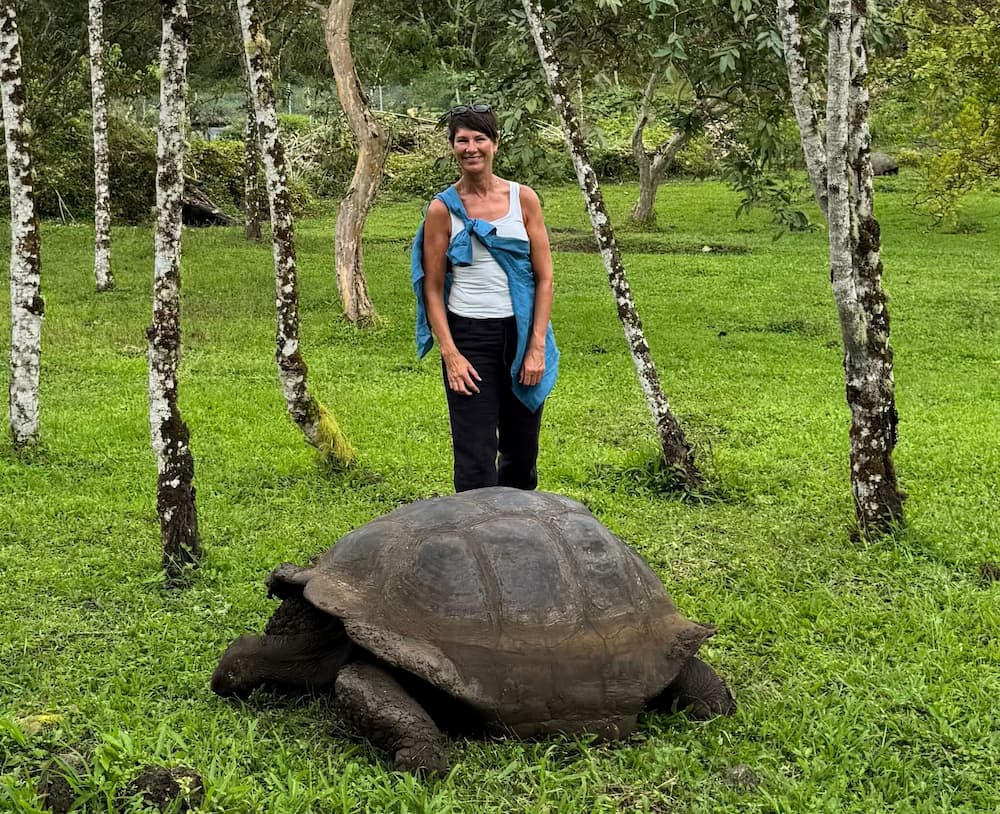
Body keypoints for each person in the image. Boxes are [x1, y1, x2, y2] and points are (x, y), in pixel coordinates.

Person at [411, 104, 559, 493]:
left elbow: (545, 279)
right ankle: (473, 540)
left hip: (521, 333)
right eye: (462, 140)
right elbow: (432, 286)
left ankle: (519, 537)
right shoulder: (442, 209)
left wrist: (536, 347)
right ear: (452, 147)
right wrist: (451, 355)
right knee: (475, 455)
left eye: (479, 139)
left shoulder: (523, 199)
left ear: (495, 144)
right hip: (469, 337)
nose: (471, 147)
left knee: (521, 451)